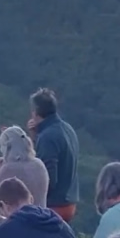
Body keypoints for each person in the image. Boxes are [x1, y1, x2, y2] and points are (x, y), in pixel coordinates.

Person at [28, 89, 80, 221]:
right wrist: (35, 135)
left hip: (55, 206)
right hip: (69, 201)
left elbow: (47, 178)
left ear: (35, 112)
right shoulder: (67, 128)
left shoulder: (48, 137)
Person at [0, 126, 49, 212]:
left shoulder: (8, 169)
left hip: (16, 223)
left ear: (6, 148)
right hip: (40, 220)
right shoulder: (39, 165)